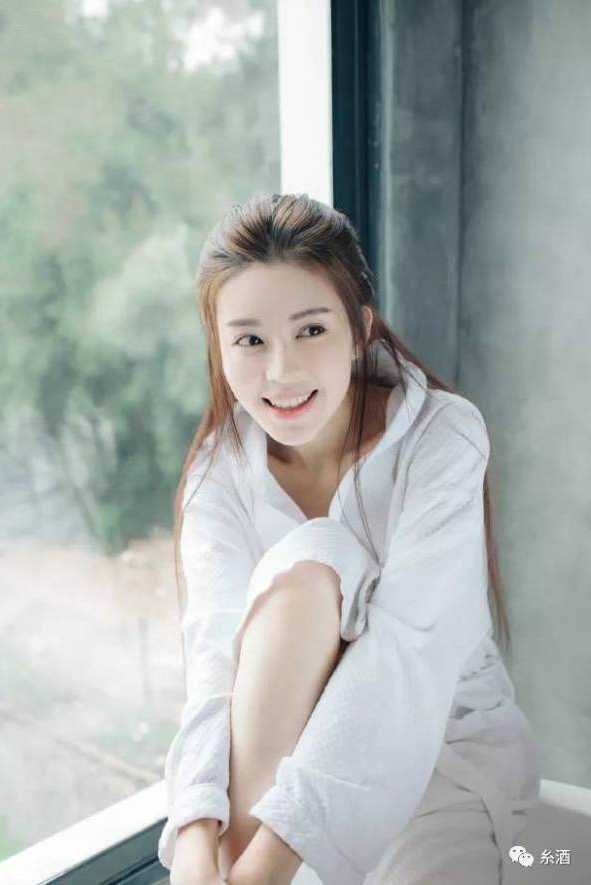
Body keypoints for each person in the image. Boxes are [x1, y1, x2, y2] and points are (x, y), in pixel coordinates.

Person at [157, 193, 541, 885]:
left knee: (320, 556)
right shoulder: (218, 477)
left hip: (444, 757)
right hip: (276, 769)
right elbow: (214, 666)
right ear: (218, 343)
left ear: (360, 327)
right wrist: (193, 842)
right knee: (310, 567)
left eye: (310, 330)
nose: (282, 371)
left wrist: (263, 870)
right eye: (250, 340)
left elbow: (403, 655)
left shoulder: (441, 437)